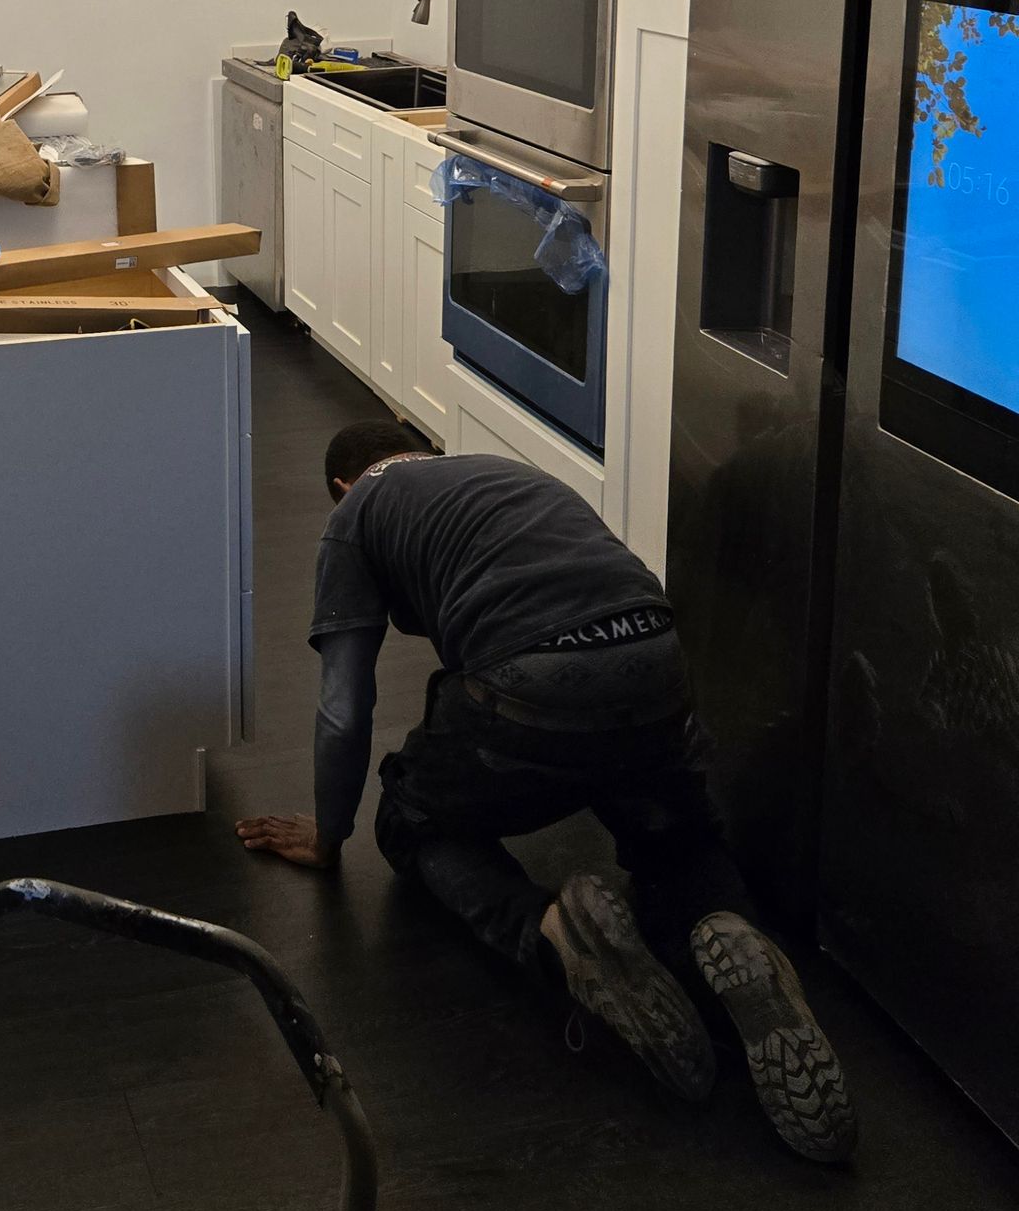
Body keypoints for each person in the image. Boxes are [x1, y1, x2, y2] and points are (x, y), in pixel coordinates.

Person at [238, 413, 856, 1163]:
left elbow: (344, 706)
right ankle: (729, 934)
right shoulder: (502, 475)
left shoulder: (357, 512)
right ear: (425, 448)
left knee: (409, 814)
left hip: (534, 691)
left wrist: (330, 832)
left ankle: (561, 938)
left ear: (341, 486)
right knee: (673, 834)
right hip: (656, 663)